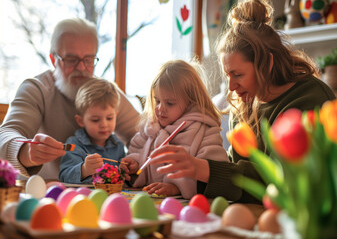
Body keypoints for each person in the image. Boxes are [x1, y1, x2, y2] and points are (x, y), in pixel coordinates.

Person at [145, 0, 336, 203]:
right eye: (227, 75)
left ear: (267, 63)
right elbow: (239, 178)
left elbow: (280, 180)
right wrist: (184, 183)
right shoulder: (243, 105)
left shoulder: (311, 100)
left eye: (237, 74)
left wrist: (202, 168)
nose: (231, 87)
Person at [0, 18, 139, 180]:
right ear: (53, 60)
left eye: (88, 60)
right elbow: (5, 134)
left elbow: (142, 135)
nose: (81, 68)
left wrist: (134, 161)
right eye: (71, 60)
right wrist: (25, 151)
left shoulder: (105, 93)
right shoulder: (37, 88)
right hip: (41, 191)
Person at [121, 60, 229, 199]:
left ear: (191, 101)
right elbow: (139, 158)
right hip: (148, 202)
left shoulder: (204, 130)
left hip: (186, 210)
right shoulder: (149, 128)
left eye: (170, 103)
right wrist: (134, 165)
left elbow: (212, 174)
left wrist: (176, 187)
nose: (160, 108)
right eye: (157, 101)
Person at [59, 79, 126, 184]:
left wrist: (127, 172)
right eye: (95, 120)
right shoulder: (74, 145)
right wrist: (84, 169)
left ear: (116, 116)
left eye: (109, 118)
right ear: (81, 121)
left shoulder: (118, 146)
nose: (104, 124)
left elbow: (125, 180)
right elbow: (64, 176)